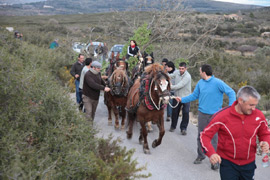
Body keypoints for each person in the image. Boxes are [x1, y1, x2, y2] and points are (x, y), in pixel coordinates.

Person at [200, 86, 270, 179]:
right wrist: (211, 153)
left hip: (249, 164)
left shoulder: (259, 116)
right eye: (251, 105)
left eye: (255, 105)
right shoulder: (222, 116)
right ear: (240, 101)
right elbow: (204, 136)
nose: (254, 108)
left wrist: (266, 142)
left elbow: (265, 133)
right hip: (228, 164)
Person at [176, 64, 236, 170]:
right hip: (202, 114)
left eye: (200, 71)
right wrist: (182, 99)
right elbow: (194, 96)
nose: (199, 73)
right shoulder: (200, 83)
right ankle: (201, 155)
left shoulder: (218, 83)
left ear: (204, 72)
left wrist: (231, 108)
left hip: (215, 115)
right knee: (201, 136)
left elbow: (231, 92)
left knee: (214, 137)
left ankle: (215, 161)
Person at [168, 62, 192, 136]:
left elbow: (180, 85)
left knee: (185, 113)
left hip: (186, 97)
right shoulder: (177, 72)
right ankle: (173, 126)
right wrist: (163, 75)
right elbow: (170, 76)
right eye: (180, 68)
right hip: (177, 96)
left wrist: (169, 86)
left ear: (186, 68)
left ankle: (183, 128)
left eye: (182, 69)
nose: (181, 70)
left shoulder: (188, 76)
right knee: (175, 112)